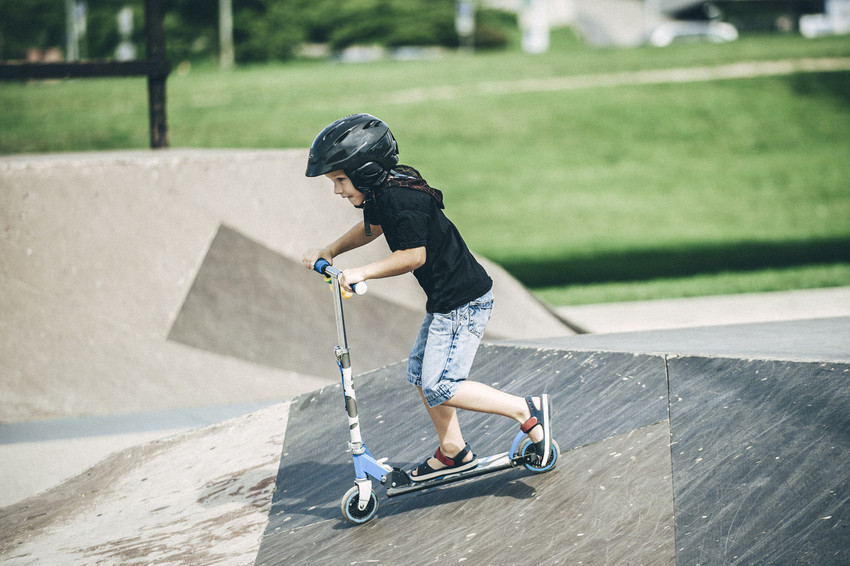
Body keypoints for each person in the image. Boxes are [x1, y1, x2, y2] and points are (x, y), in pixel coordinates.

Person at [301, 113, 552, 481]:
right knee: (420, 375)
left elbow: (413, 256)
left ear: (367, 171)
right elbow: (373, 228)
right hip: (446, 300)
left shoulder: (402, 199)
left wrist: (362, 272)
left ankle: (525, 410)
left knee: (441, 385)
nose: (338, 190)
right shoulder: (383, 191)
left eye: (340, 180)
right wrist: (332, 250)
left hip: (463, 302)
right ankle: (453, 450)